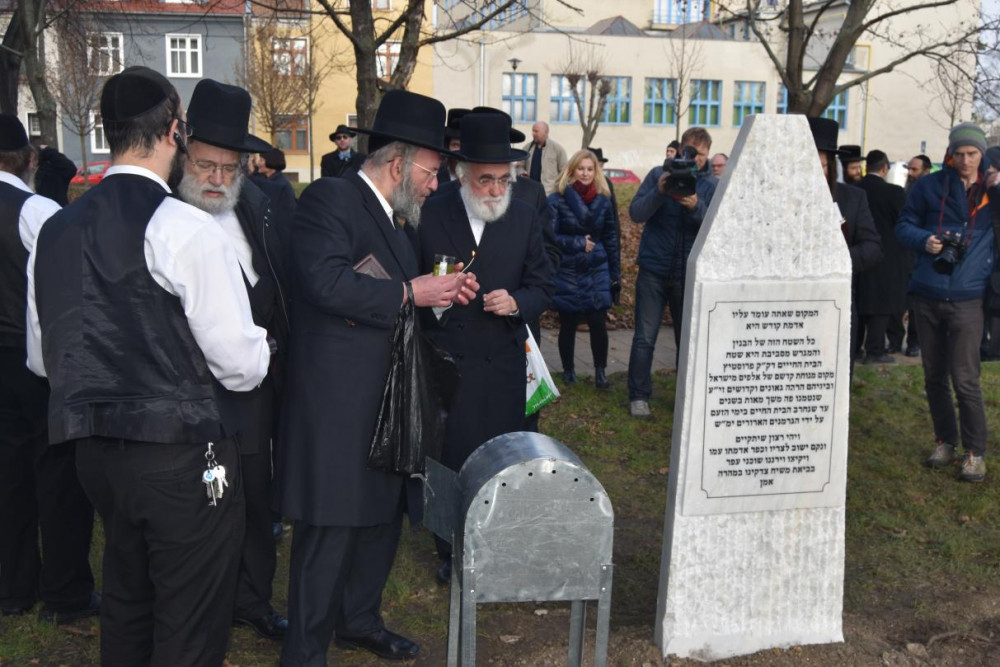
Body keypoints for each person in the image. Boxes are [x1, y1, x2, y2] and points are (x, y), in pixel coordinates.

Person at [27, 66, 271, 665]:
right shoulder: (185, 227)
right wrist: (263, 344)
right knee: (191, 620)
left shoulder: (53, 228)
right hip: (180, 456)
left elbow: (42, 358)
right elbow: (240, 366)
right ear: (173, 130)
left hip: (95, 454)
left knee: (128, 600)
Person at [277, 89, 477, 665]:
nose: (435, 185)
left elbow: (398, 300)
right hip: (338, 403)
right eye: (433, 172)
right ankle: (304, 652)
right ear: (399, 164)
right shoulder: (330, 198)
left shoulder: (397, 221)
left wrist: (439, 295)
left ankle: (359, 620)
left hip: (389, 401)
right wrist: (413, 291)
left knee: (382, 517)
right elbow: (324, 282)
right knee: (331, 526)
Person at [177, 78, 291, 641]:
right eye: (206, 165)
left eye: (229, 167)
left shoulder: (258, 206)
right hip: (193, 392)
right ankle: (205, 604)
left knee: (253, 494)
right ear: (183, 155)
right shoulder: (165, 215)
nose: (217, 179)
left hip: (256, 387)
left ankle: (252, 600)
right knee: (204, 501)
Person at [418, 111, 554, 580]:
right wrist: (439, 298)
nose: (496, 190)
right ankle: (449, 549)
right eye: (485, 180)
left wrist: (517, 302)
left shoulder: (523, 216)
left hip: (502, 364)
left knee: (502, 458)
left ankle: (495, 541)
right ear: (461, 174)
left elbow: (543, 285)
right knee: (448, 457)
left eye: (503, 179)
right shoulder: (431, 212)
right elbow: (409, 283)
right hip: (448, 362)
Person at [0, 115, 98, 623]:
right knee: (59, 473)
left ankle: (14, 587)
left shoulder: (35, 209)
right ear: (29, 159)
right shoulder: (36, 210)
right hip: (32, 357)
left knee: (8, 472)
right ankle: (64, 592)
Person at [896, 122, 998, 483]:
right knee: (934, 376)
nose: (966, 160)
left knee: (966, 379)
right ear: (950, 155)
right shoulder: (929, 186)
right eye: (959, 154)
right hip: (927, 292)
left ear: (982, 155)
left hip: (969, 299)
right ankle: (945, 441)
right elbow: (903, 226)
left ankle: (974, 452)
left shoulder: (992, 191)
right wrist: (924, 240)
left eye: (972, 154)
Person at [627, 127, 717, 419]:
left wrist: (697, 207)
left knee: (687, 340)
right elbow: (636, 213)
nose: (695, 159)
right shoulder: (658, 174)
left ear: (708, 154)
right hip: (654, 267)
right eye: (690, 152)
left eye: (701, 154)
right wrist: (660, 191)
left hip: (688, 272)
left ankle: (685, 397)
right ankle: (638, 396)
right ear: (680, 150)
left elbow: (718, 229)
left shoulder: (711, 185)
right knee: (645, 337)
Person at [810, 118, 882, 376]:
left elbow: (873, 247)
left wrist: (839, 259)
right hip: (792, 306)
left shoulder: (853, 197)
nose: (816, 173)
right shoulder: (778, 197)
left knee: (836, 377)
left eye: (821, 166)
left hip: (837, 303)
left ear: (831, 165)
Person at [548, 148, 619, 389]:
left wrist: (615, 274)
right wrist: (577, 242)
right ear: (572, 170)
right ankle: (568, 370)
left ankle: (601, 371)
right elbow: (548, 236)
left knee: (598, 322)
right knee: (568, 323)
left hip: (597, 268)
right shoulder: (556, 199)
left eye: (590, 169)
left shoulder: (603, 199)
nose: (586, 173)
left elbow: (611, 238)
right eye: (581, 169)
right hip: (568, 268)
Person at [855, 149, 908, 364]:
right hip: (886, 256)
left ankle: (854, 349)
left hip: (857, 253)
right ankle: (875, 350)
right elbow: (903, 222)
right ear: (885, 168)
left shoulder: (854, 190)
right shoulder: (894, 193)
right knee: (881, 304)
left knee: (858, 302)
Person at [521, 120, 567, 196]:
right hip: (530, 193)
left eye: (536, 131)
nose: (533, 134)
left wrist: (558, 191)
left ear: (546, 132)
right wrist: (522, 172)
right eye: (533, 131)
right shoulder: (527, 148)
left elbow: (564, 173)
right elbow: (520, 166)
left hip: (549, 194)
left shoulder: (557, 149)